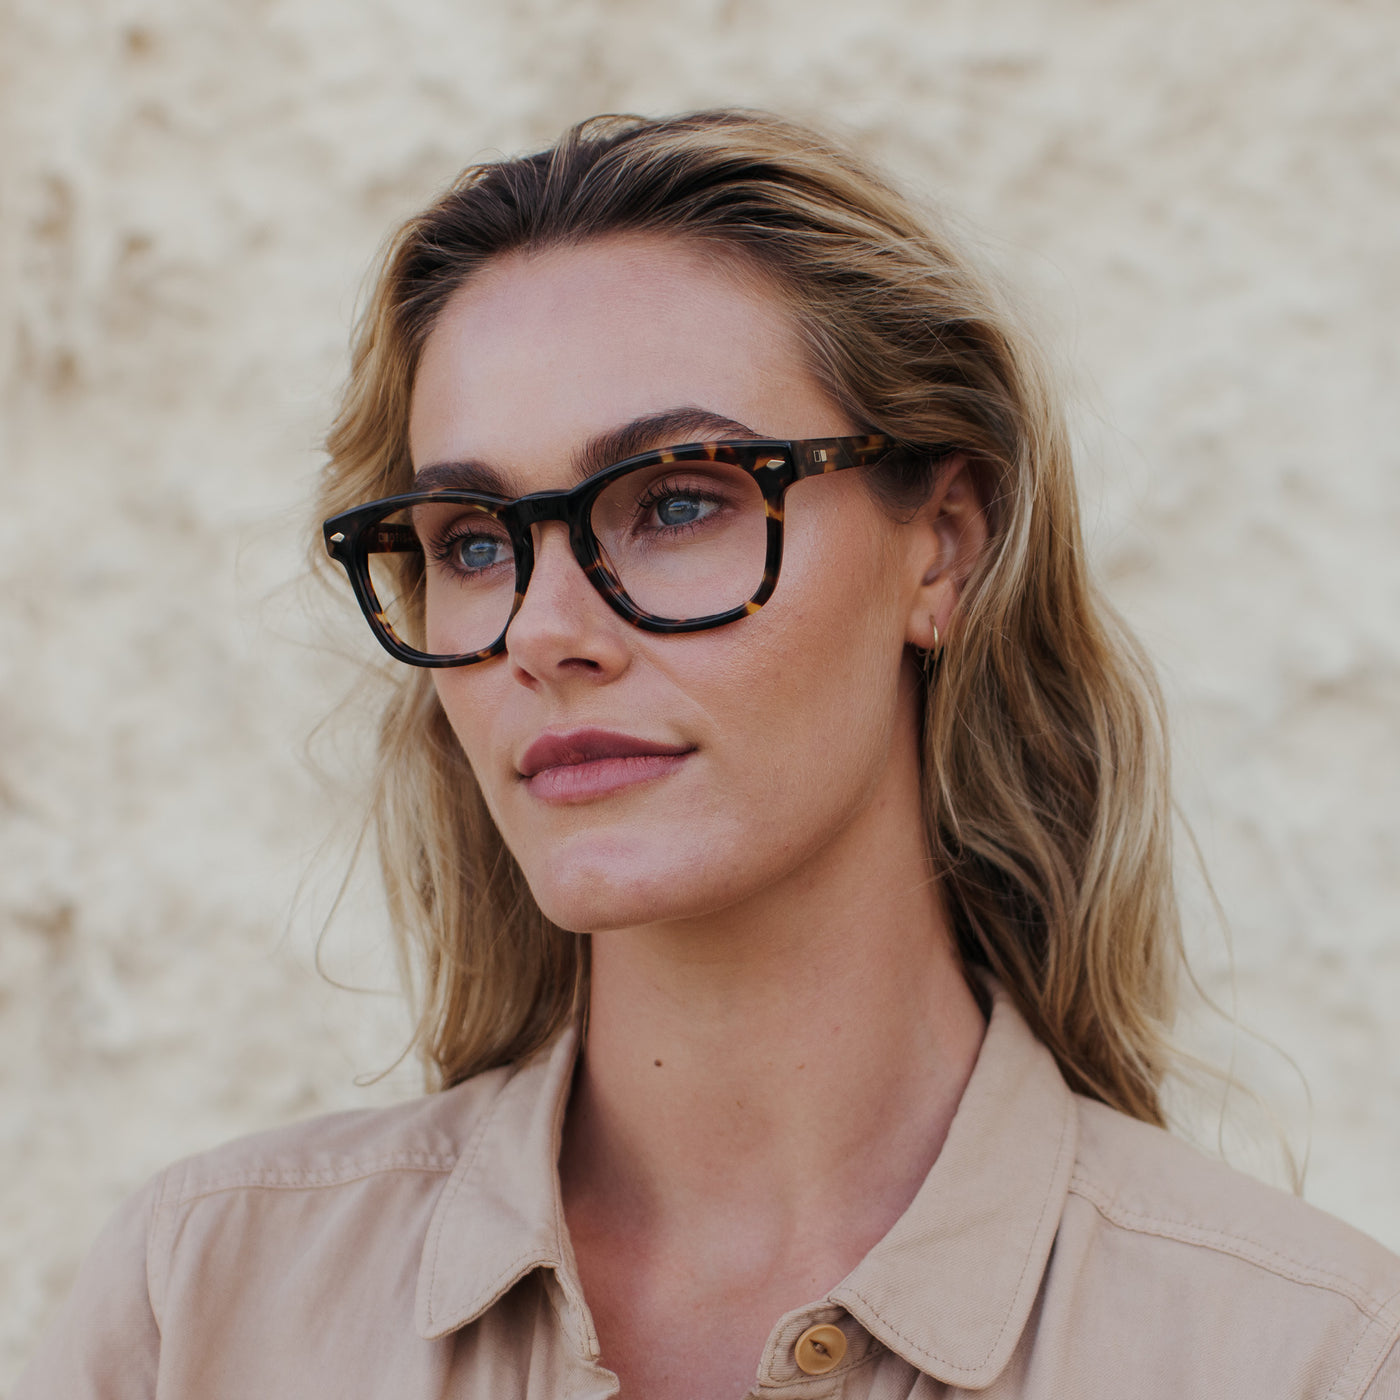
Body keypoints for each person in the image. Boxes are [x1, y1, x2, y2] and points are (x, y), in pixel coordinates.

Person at [17, 109, 1400, 1400]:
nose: (542, 633)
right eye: (475, 544)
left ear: (945, 546)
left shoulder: (1305, 1354)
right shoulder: (203, 1309)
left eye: (678, 501)